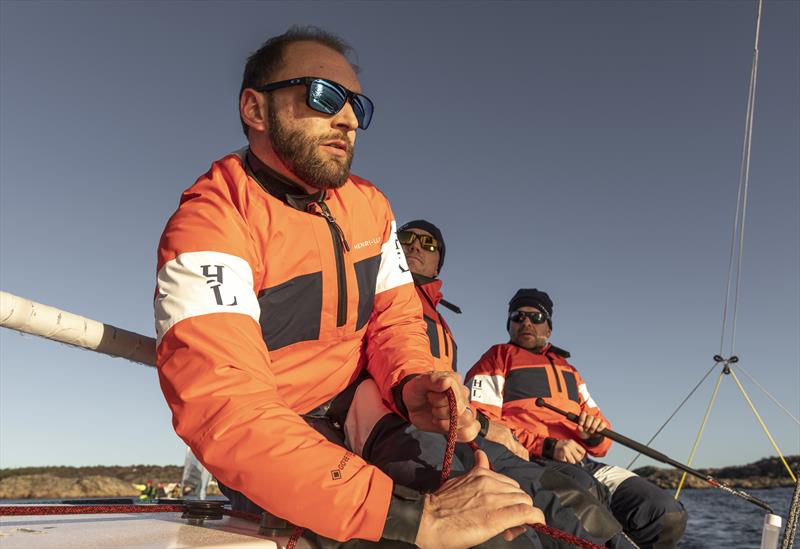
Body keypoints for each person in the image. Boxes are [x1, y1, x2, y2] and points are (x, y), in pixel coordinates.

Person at [154, 26, 542, 548]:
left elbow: (397, 320)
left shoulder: (370, 207)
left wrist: (413, 383)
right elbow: (223, 404)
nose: (349, 118)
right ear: (255, 109)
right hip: (276, 434)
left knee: (524, 520)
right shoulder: (210, 224)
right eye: (323, 95)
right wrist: (416, 520)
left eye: (357, 105)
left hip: (363, 406)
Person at [345, 221, 636, 548]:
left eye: (428, 244)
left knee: (576, 502)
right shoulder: (370, 294)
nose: (415, 246)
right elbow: (386, 353)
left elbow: (599, 435)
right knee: (508, 527)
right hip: (401, 425)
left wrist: (593, 433)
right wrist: (539, 444)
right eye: (407, 239)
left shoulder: (569, 371)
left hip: (463, 430)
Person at [465, 288, 688, 548]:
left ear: (548, 328)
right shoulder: (497, 358)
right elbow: (483, 423)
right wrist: (546, 445)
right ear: (510, 325)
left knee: (665, 512)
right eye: (518, 316)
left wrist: (592, 434)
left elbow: (603, 443)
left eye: (535, 317)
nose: (526, 322)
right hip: (532, 462)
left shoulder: (570, 371)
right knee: (584, 493)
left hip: (585, 463)